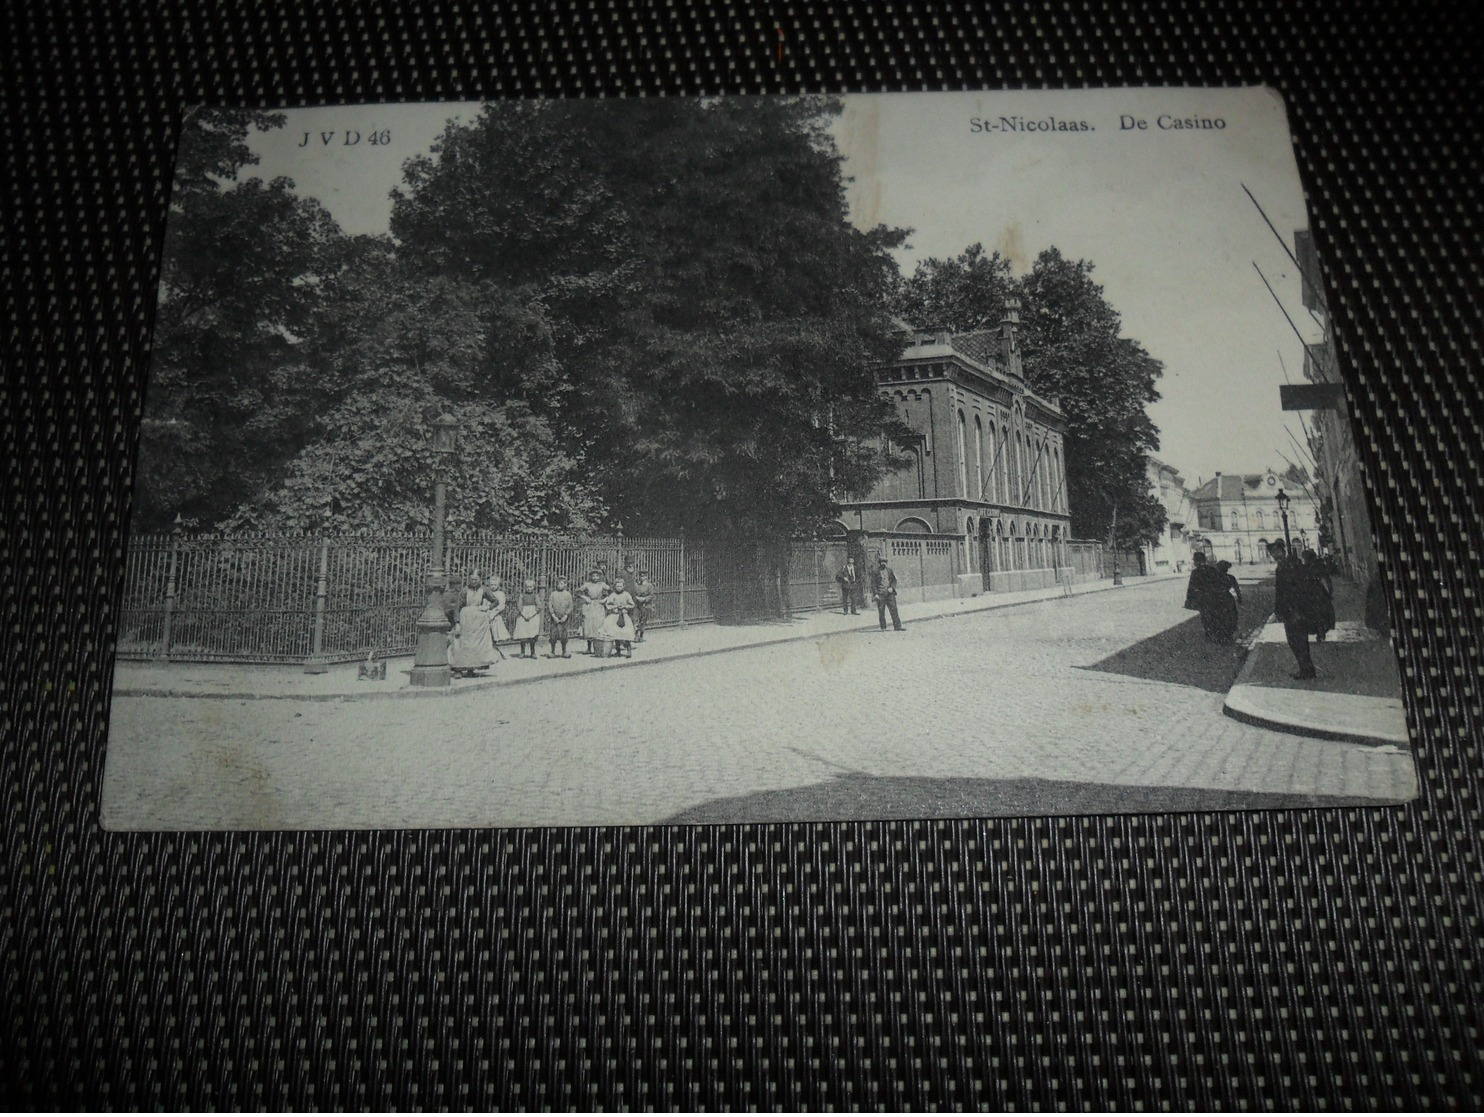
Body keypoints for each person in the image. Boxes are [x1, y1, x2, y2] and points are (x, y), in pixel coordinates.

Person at [1270, 539, 1318, 679]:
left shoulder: (1289, 566)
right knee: (1295, 641)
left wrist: (1297, 610)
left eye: (1277, 551)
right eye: (1272, 553)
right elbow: (1280, 592)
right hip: (1288, 611)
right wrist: (1278, 610)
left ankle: (1307, 671)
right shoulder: (1281, 566)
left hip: (1295, 611)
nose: (1274, 555)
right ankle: (1306, 669)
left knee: (1298, 641)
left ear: (1283, 551)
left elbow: (1297, 590)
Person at [448, 574, 497, 678]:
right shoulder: (464, 591)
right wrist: (457, 622)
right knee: (462, 643)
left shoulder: (484, 590)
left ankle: (472, 668)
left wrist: (487, 607)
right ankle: (458, 669)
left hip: (479, 622)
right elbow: (457, 607)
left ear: (480, 579)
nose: (474, 581)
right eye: (471, 579)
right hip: (465, 619)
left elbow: (495, 601)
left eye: (476, 579)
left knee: (476, 645)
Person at [1183, 551, 1225, 642]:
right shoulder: (1212, 570)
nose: (1194, 563)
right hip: (1214, 597)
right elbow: (1219, 583)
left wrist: (1189, 599)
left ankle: (1209, 634)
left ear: (1197, 561)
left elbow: (1191, 587)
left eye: (1194, 561)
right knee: (1214, 615)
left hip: (1203, 598)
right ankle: (1216, 633)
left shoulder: (1195, 572)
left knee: (1205, 617)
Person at [1303, 548, 1336, 642]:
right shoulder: (1319, 566)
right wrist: (1329, 592)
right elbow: (1326, 580)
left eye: (1305, 558)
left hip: (1312, 593)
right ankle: (1320, 632)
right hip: (1318, 593)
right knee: (1321, 613)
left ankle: (1319, 631)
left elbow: (1324, 579)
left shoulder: (1308, 567)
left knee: (1316, 614)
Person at [601, 576, 638, 658]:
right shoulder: (613, 595)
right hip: (615, 616)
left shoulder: (626, 594)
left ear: (624, 586)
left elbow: (632, 604)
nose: (619, 588)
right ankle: (618, 651)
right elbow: (608, 605)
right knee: (615, 633)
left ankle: (629, 651)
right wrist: (614, 607)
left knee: (626, 633)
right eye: (617, 586)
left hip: (624, 615)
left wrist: (625, 606)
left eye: (621, 586)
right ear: (615, 587)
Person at [578, 568, 609, 655]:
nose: (595, 578)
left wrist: (605, 599)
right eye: (593, 576)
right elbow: (577, 592)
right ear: (591, 576)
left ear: (599, 576)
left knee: (599, 626)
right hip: (590, 606)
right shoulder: (587, 585)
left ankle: (598, 648)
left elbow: (613, 591)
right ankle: (589, 648)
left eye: (597, 576)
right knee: (589, 626)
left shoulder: (602, 584)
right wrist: (585, 598)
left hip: (599, 605)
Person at [1210, 559, 1242, 643]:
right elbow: (1237, 589)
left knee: (1220, 616)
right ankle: (1230, 634)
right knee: (1231, 615)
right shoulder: (1230, 577)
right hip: (1227, 597)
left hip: (1217, 598)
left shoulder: (1214, 577)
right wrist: (1239, 598)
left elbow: (1210, 589)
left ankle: (1221, 636)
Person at [511, 578, 543, 658]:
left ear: (533, 587)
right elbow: (519, 605)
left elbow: (539, 606)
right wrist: (522, 613)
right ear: (525, 587)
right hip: (523, 615)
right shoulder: (522, 595)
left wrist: (532, 614)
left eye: (530, 587)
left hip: (533, 615)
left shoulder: (535, 595)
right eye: (527, 587)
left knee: (532, 635)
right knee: (523, 634)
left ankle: (533, 652)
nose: (529, 588)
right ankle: (522, 652)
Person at [872, 557, 904, 631]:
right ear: (879, 563)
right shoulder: (875, 571)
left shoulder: (889, 570)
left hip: (889, 594)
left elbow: (894, 580)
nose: (883, 563)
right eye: (882, 562)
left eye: (885, 562)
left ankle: (897, 626)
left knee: (894, 610)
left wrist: (892, 587)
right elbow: (873, 584)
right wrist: (875, 594)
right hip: (880, 594)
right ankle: (883, 627)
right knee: (881, 611)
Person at [546, 576, 575, 659]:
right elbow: (550, 605)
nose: (559, 585)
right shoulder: (553, 594)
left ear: (565, 584)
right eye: (558, 584)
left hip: (564, 618)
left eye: (561, 584)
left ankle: (564, 651)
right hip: (554, 618)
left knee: (564, 635)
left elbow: (570, 606)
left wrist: (566, 615)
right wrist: (553, 615)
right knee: (553, 635)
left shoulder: (568, 594)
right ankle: (552, 651)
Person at [483, 575, 512, 645]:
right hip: (487, 613)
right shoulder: (486, 593)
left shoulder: (500, 594)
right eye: (492, 585)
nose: (493, 586)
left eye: (495, 585)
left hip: (496, 614)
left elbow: (502, 605)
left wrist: (494, 613)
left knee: (495, 632)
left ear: (498, 585)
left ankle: (494, 645)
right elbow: (484, 603)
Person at [630, 568, 656, 642]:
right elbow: (634, 593)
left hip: (645, 605)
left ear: (646, 577)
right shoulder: (637, 585)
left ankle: (641, 636)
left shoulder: (649, 585)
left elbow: (652, 595)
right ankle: (636, 636)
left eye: (644, 576)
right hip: (637, 605)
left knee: (643, 621)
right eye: (641, 576)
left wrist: (645, 599)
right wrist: (636, 598)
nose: (642, 578)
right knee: (635, 620)